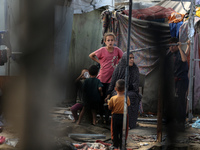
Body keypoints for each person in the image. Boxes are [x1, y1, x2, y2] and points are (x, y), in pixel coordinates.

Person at [89, 32, 123, 124]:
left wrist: (117, 63)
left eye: (112, 40)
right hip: (102, 78)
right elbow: (91, 55)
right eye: (108, 40)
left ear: (114, 41)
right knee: (100, 99)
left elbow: (123, 57)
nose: (110, 42)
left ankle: (107, 118)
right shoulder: (102, 50)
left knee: (109, 99)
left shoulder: (117, 50)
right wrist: (99, 62)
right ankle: (101, 117)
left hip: (112, 79)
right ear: (105, 41)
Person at [105, 52, 141, 129]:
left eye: (132, 58)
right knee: (116, 96)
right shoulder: (119, 68)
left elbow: (136, 84)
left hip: (131, 91)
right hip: (118, 90)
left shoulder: (135, 69)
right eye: (130, 58)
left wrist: (127, 86)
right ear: (125, 59)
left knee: (129, 97)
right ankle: (117, 123)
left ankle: (129, 124)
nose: (132, 60)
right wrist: (109, 92)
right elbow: (113, 81)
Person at [169, 37, 189, 130]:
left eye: (173, 46)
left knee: (181, 101)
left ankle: (181, 122)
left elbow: (184, 59)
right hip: (175, 81)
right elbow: (186, 54)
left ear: (177, 46)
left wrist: (181, 47)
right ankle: (175, 120)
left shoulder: (179, 53)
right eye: (170, 46)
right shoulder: (171, 54)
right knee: (175, 101)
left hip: (182, 81)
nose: (171, 48)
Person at [108, 79, 130, 149]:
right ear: (125, 89)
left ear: (115, 89)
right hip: (124, 116)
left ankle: (115, 144)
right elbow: (128, 105)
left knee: (114, 131)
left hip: (115, 116)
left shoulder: (113, 98)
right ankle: (123, 144)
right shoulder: (127, 98)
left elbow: (110, 107)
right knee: (124, 131)